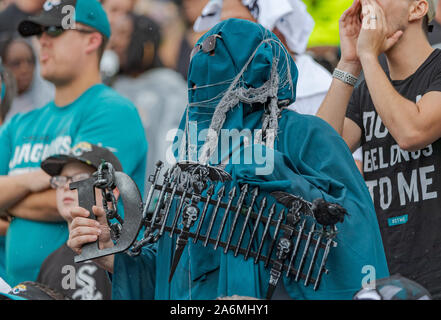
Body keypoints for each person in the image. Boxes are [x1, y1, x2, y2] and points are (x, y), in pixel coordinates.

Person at [68, 18, 389, 300]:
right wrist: (115, 255)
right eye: (197, 83)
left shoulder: (305, 135)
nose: (205, 92)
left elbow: (352, 242)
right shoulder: (189, 162)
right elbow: (169, 274)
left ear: (258, 78)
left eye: (219, 76)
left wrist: (273, 174)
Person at [0, 0, 147, 287]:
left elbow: (85, 200)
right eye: (39, 31)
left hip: (85, 289)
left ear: (92, 40)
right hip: (15, 289)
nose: (42, 40)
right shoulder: (20, 123)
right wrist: (34, 181)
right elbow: (63, 194)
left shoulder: (112, 110)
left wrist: (8, 203)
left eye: (55, 30)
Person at [316, 0, 441, 298]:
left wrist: (368, 58)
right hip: (384, 271)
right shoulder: (368, 87)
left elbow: (412, 132)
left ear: (417, 9)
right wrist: (349, 62)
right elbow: (320, 154)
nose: (367, 4)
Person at [194, 0, 364, 171]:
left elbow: (349, 168)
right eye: (221, 26)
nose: (225, 37)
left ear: (276, 29)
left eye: (238, 24)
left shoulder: (319, 87)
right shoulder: (216, 90)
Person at [37, 144, 121, 300]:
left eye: (81, 179)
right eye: (61, 180)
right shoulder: (50, 262)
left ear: (111, 193)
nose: (66, 186)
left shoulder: (131, 254)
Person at [109, 13, 187, 182]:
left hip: (154, 193)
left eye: (124, 34)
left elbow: (171, 144)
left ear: (145, 41)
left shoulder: (169, 86)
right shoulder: (113, 86)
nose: (115, 43)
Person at [1, 37, 54, 122]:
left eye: (30, 61)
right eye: (16, 63)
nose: (24, 69)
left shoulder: (47, 105)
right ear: (4, 66)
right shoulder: (3, 108)